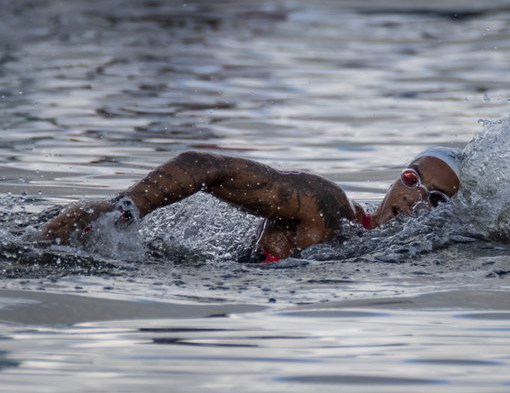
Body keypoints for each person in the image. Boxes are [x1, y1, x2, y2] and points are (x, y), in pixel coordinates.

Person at [39, 147, 461, 262]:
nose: (415, 199)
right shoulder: (327, 206)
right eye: (412, 179)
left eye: (436, 200)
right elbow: (204, 164)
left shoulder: (399, 256)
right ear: (396, 178)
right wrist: (125, 213)